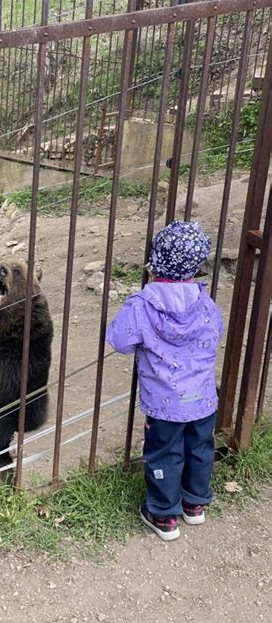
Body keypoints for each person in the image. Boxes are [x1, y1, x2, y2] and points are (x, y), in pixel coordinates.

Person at [106, 221, 224, 541]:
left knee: (163, 452)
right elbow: (216, 332)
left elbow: (119, 340)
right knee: (200, 447)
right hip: (201, 398)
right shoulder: (204, 303)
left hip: (165, 403)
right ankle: (195, 504)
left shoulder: (142, 305)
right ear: (196, 266)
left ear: (156, 258)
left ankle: (162, 513)